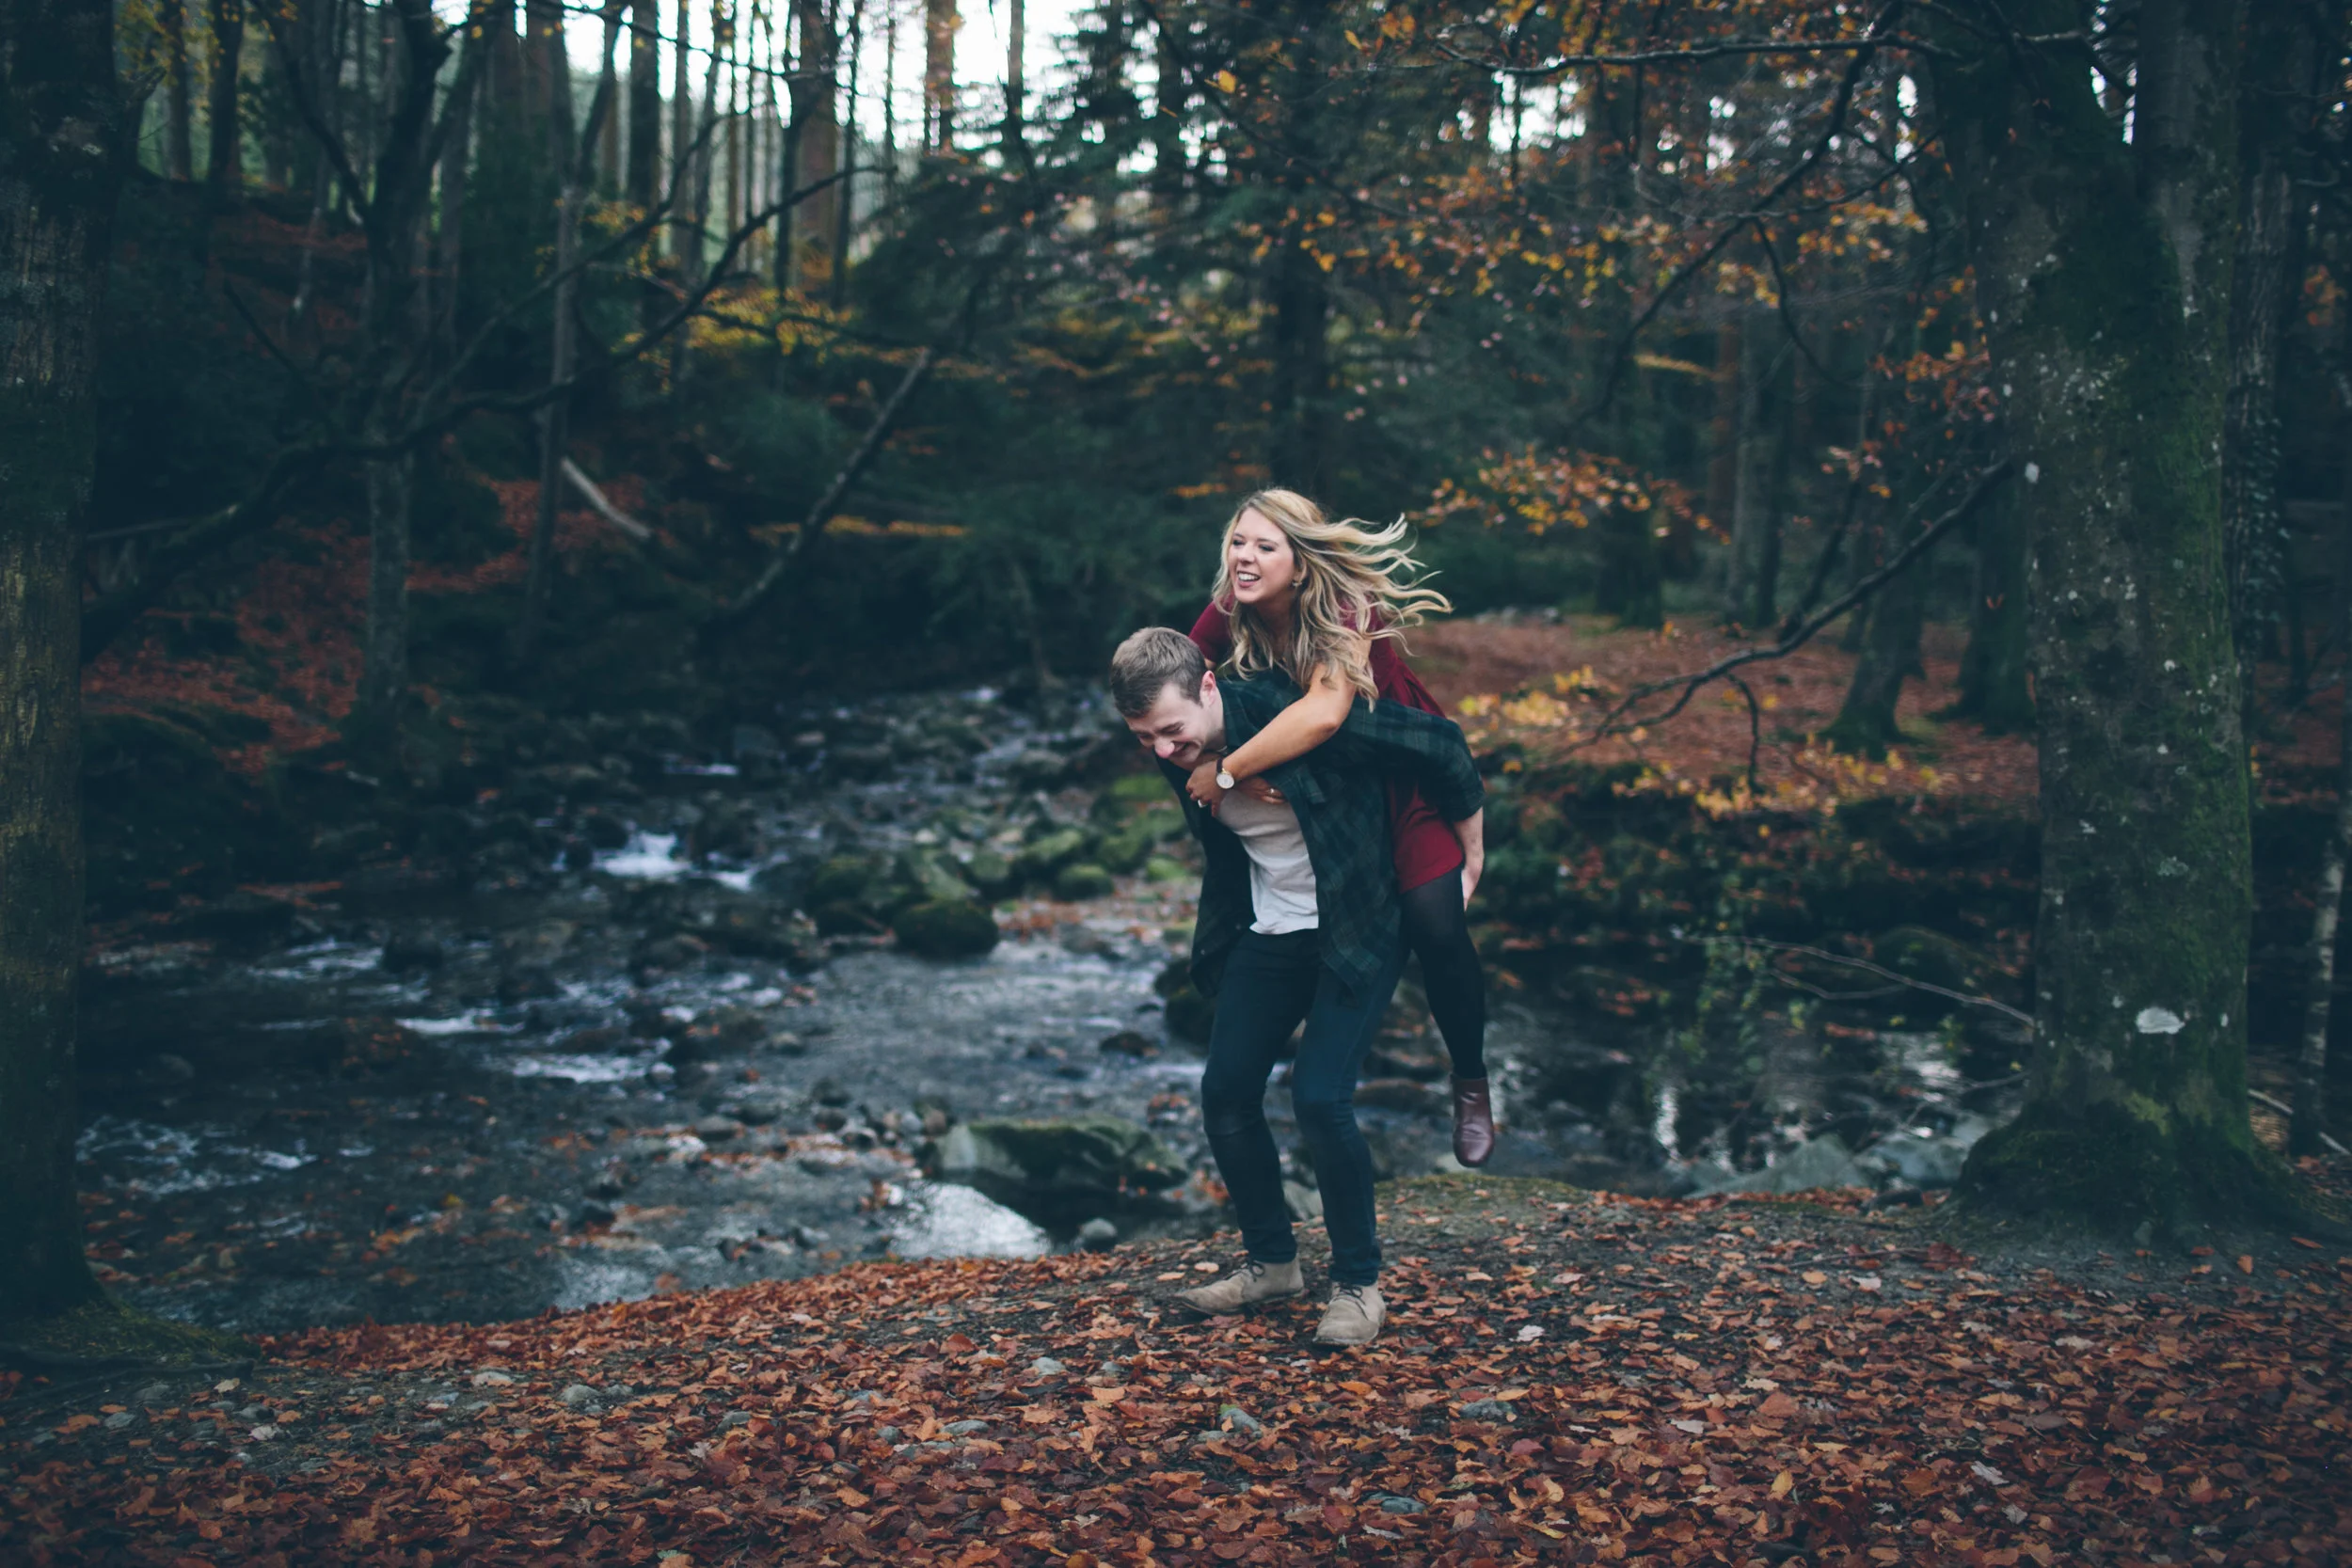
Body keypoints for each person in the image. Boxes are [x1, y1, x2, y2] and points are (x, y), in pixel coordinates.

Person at [1109, 626, 1485, 1348]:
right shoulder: (1171, 745)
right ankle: (1273, 1263)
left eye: (1171, 731)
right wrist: (1216, 768)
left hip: (1358, 922)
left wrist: (1470, 855)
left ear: (1209, 687)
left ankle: (1357, 1285)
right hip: (1271, 924)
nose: (1160, 750)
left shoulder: (1303, 711)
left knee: (1318, 1095)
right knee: (1225, 1090)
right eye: (1142, 736)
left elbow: (1442, 743)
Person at [1182, 490, 1497, 1166]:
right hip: (1320, 785)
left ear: (1300, 562)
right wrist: (1196, 747)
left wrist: (1229, 769)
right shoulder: (1230, 606)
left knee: (1436, 922)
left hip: (1393, 767)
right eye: (1239, 541)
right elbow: (1179, 681)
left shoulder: (1343, 604)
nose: (1245, 556)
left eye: (1265, 546)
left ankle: (1469, 1077)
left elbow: (1326, 713)